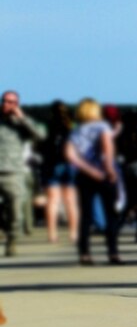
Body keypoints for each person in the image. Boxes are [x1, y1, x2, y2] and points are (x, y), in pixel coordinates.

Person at [65, 98, 121, 266]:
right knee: (111, 214)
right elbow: (106, 148)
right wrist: (108, 169)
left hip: (83, 175)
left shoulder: (76, 131)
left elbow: (70, 154)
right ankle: (113, 252)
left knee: (86, 215)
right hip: (103, 173)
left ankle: (85, 253)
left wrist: (88, 170)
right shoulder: (102, 127)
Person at [0, 89, 48, 255]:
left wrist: (22, 119)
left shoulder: (22, 124)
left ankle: (12, 241)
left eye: (13, 102)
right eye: (6, 101)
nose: (8, 105)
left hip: (12, 172)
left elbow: (40, 136)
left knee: (16, 211)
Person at [40, 100, 77, 246]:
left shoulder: (46, 126)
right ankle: (73, 233)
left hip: (51, 163)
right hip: (69, 164)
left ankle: (52, 233)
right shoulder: (72, 126)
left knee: (52, 201)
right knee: (70, 201)